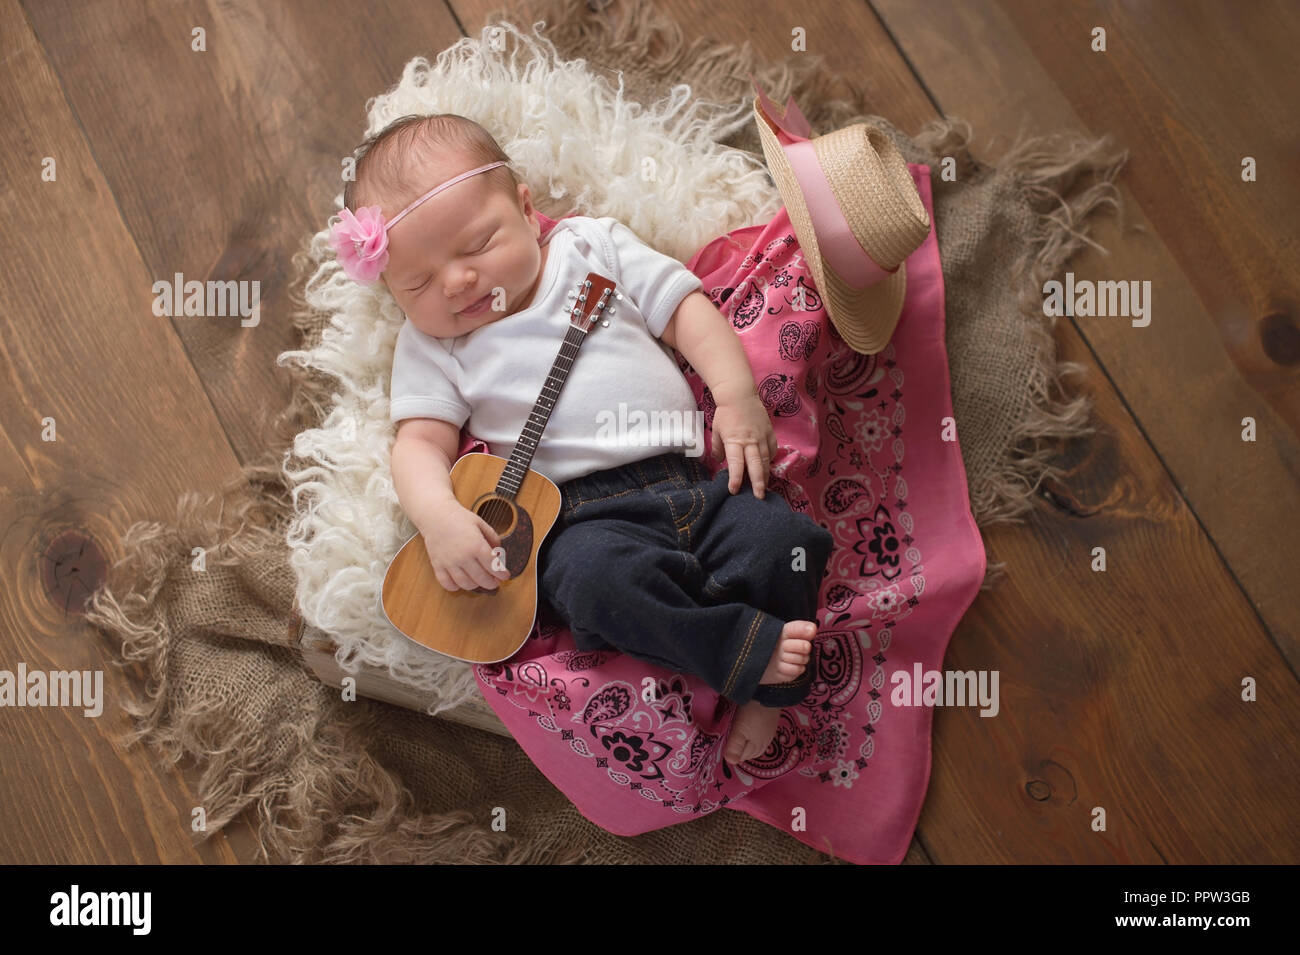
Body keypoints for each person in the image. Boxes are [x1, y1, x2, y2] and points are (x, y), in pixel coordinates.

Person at [332, 113, 833, 765]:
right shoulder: (433, 346)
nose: (456, 282)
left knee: (782, 540)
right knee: (594, 585)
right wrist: (438, 518)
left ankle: (765, 685)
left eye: (477, 244)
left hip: (696, 486)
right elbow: (418, 445)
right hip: (580, 521)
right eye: (418, 283)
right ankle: (739, 647)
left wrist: (737, 397)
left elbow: (686, 313)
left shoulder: (591, 248)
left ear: (524, 206)